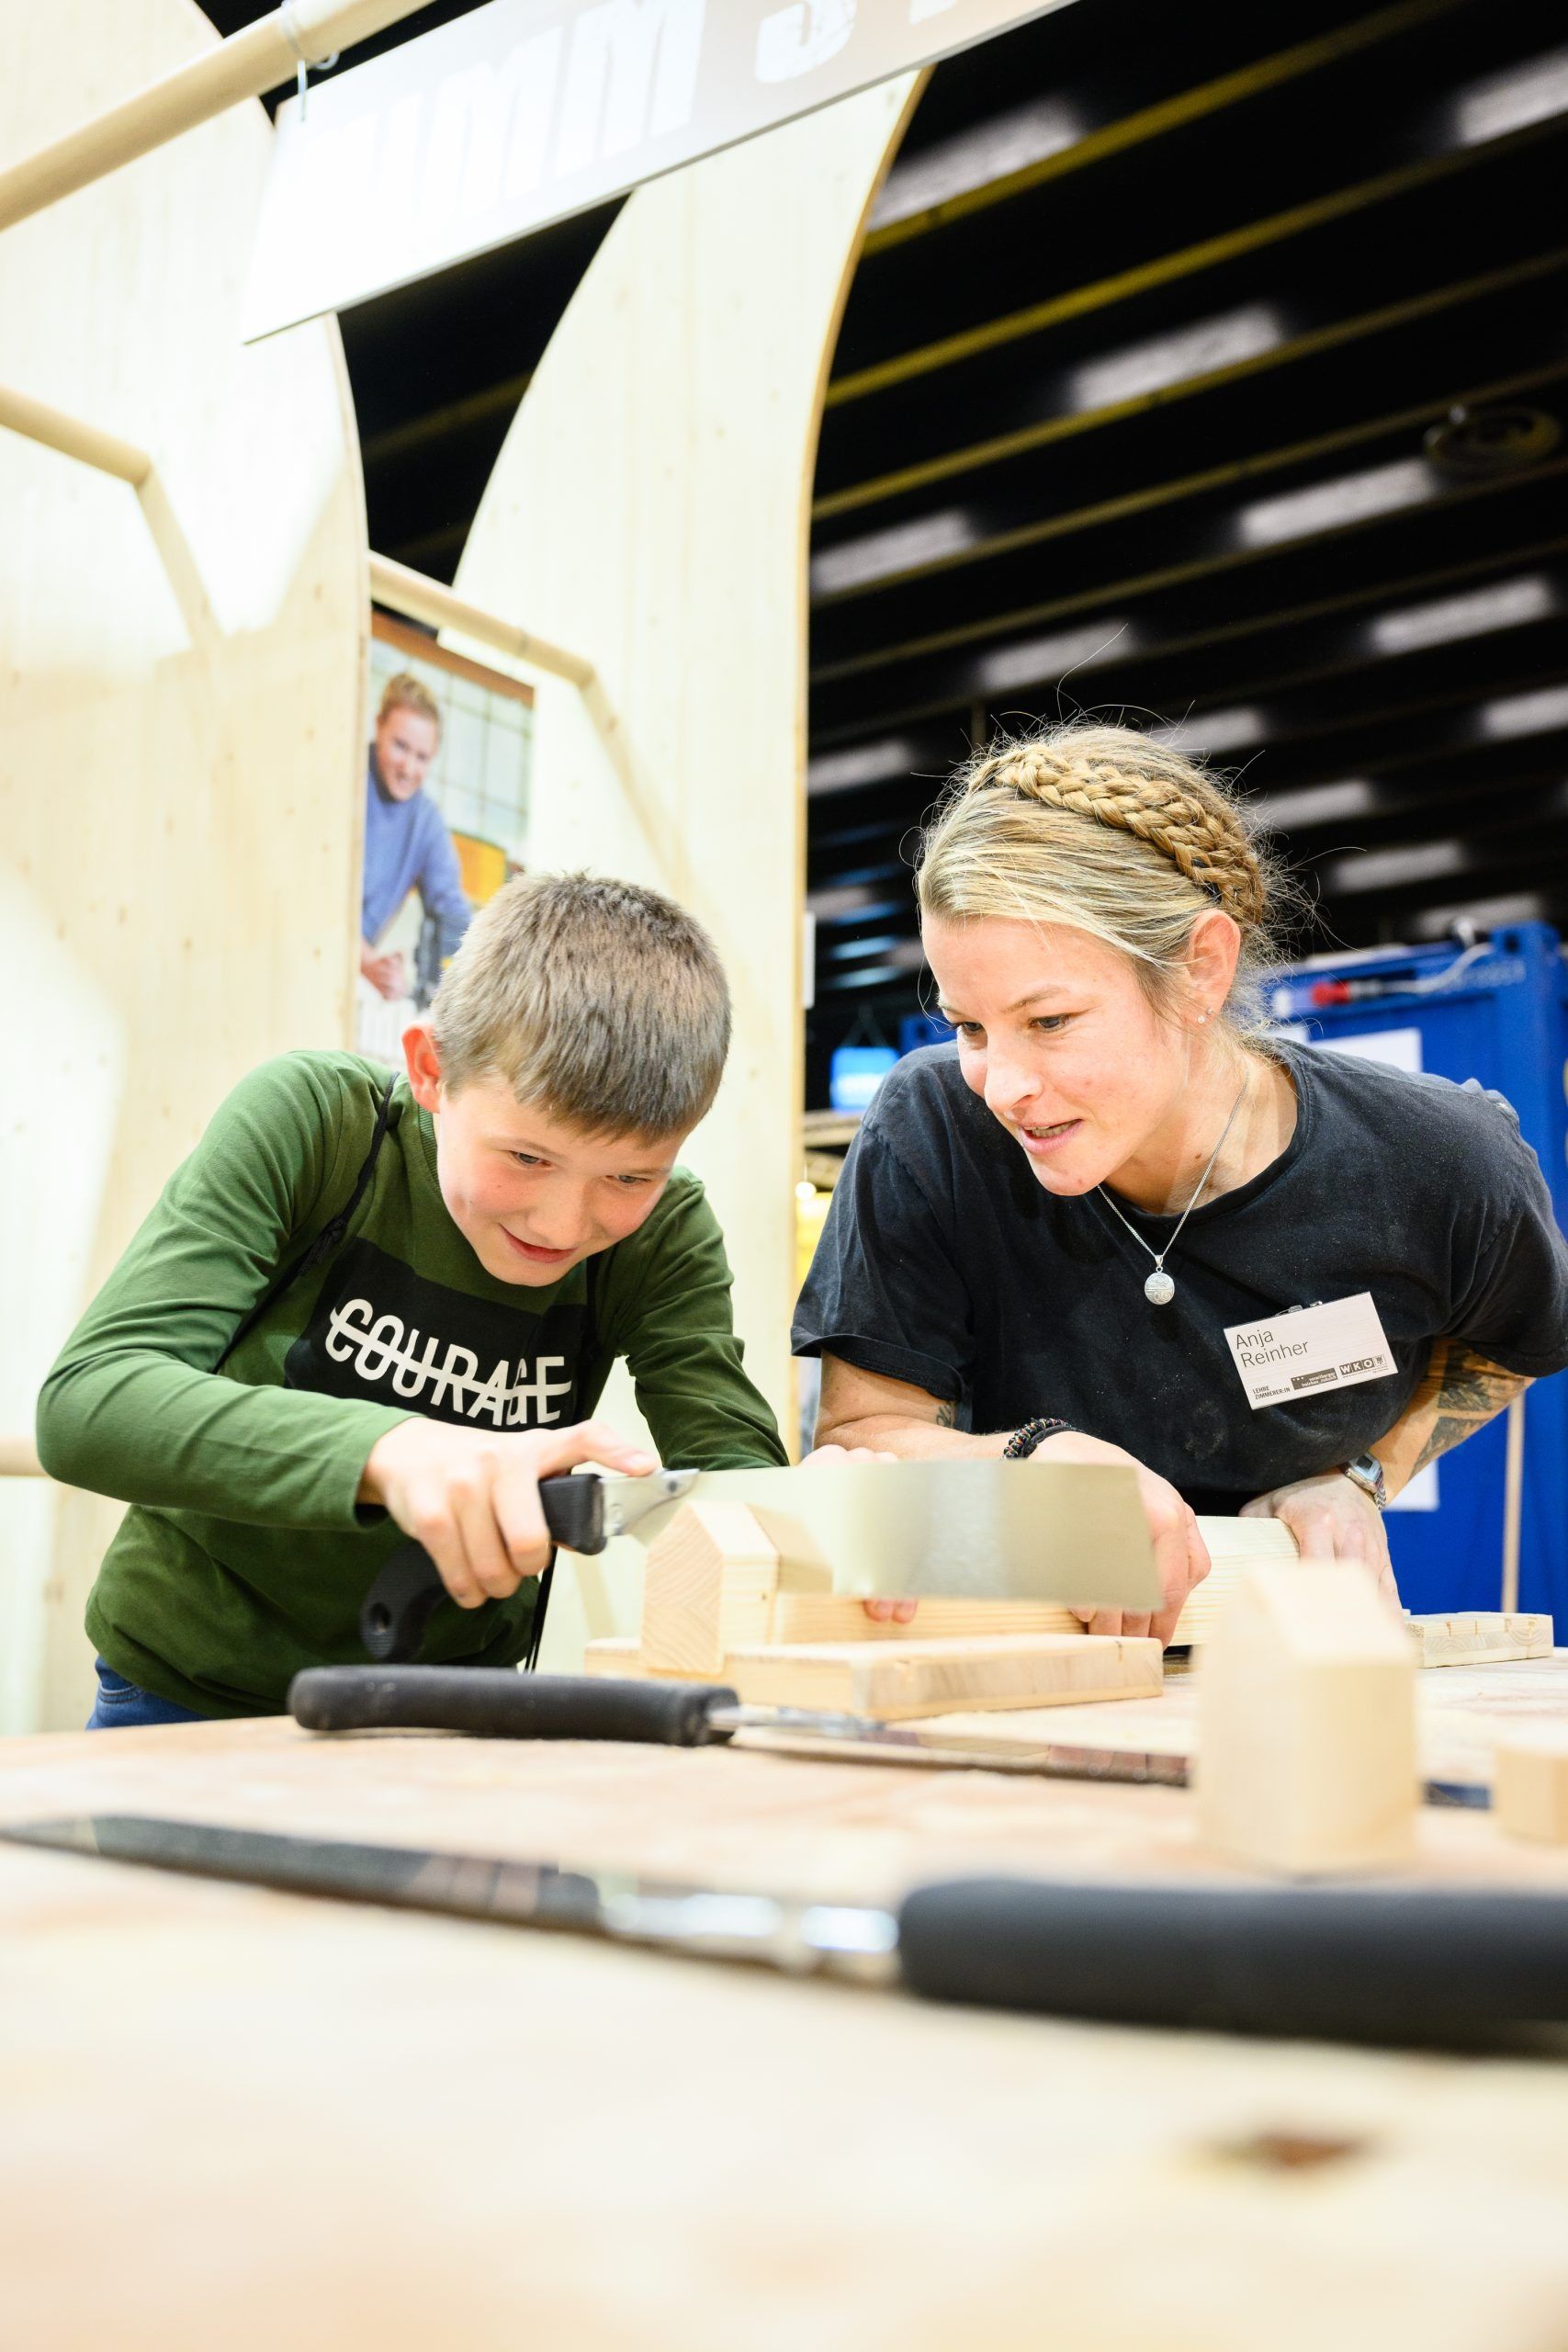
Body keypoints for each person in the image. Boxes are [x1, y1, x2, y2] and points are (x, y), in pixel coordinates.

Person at [794, 722, 1568, 1645]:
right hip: (1022, 1670)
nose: (1002, 1085)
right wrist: (1032, 1459)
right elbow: (861, 1433)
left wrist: (1360, 1474)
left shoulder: (1439, 1161)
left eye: (1050, 1020)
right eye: (968, 1027)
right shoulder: (935, 1133)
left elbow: (1512, 1343)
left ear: (1202, 966)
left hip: (1288, 1668)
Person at [39, 875, 795, 1725]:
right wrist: (393, 1450)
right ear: (431, 1069)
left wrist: (838, 1530)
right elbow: (91, 1401)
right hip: (185, 1690)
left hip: (454, 1704)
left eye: (629, 1176)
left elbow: (738, 1480)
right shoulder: (316, 1124)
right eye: (526, 1158)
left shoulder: (664, 1232)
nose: (562, 1222)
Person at [360, 672, 471, 1002]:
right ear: (378, 726)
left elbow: (453, 914)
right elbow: (312, 893)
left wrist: (445, 999)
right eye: (400, 746)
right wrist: (365, 961)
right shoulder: (346, 774)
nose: (409, 768)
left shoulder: (426, 824)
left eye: (422, 757)